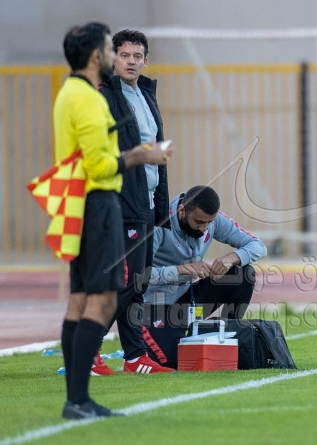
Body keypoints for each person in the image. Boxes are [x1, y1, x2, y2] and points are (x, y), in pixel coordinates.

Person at [55, 22, 174, 419]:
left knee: (81, 299)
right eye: (113, 51)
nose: (120, 58)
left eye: (135, 55)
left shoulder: (71, 92)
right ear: (97, 56)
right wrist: (141, 156)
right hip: (102, 205)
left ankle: (77, 400)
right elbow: (98, 165)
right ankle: (80, 395)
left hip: (86, 203)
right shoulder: (91, 98)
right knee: (105, 297)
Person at [95, 29, 173, 375]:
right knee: (124, 285)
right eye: (124, 55)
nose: (131, 62)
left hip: (147, 203)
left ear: (145, 61)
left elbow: (154, 150)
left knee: (138, 285)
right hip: (122, 204)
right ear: (113, 59)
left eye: (137, 56)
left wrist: (160, 204)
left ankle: (134, 357)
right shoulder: (104, 96)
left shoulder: (146, 94)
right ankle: (88, 348)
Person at [141, 185, 267, 369]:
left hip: (188, 301)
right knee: (172, 363)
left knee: (243, 273)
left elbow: (258, 246)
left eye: (209, 223)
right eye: (199, 222)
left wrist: (231, 258)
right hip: (154, 306)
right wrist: (183, 269)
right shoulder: (158, 223)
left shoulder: (211, 220)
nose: (204, 229)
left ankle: (230, 335)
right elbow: (141, 275)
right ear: (182, 210)